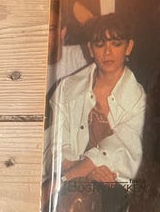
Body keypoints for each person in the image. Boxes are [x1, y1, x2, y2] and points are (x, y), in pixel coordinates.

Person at [42, 13, 146, 212]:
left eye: (116, 43)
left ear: (129, 47)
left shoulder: (138, 99)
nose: (108, 51)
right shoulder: (67, 87)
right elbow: (53, 141)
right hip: (69, 175)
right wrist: (81, 171)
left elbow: (119, 151)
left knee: (79, 197)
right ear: (90, 48)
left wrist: (65, 179)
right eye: (100, 44)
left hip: (115, 182)